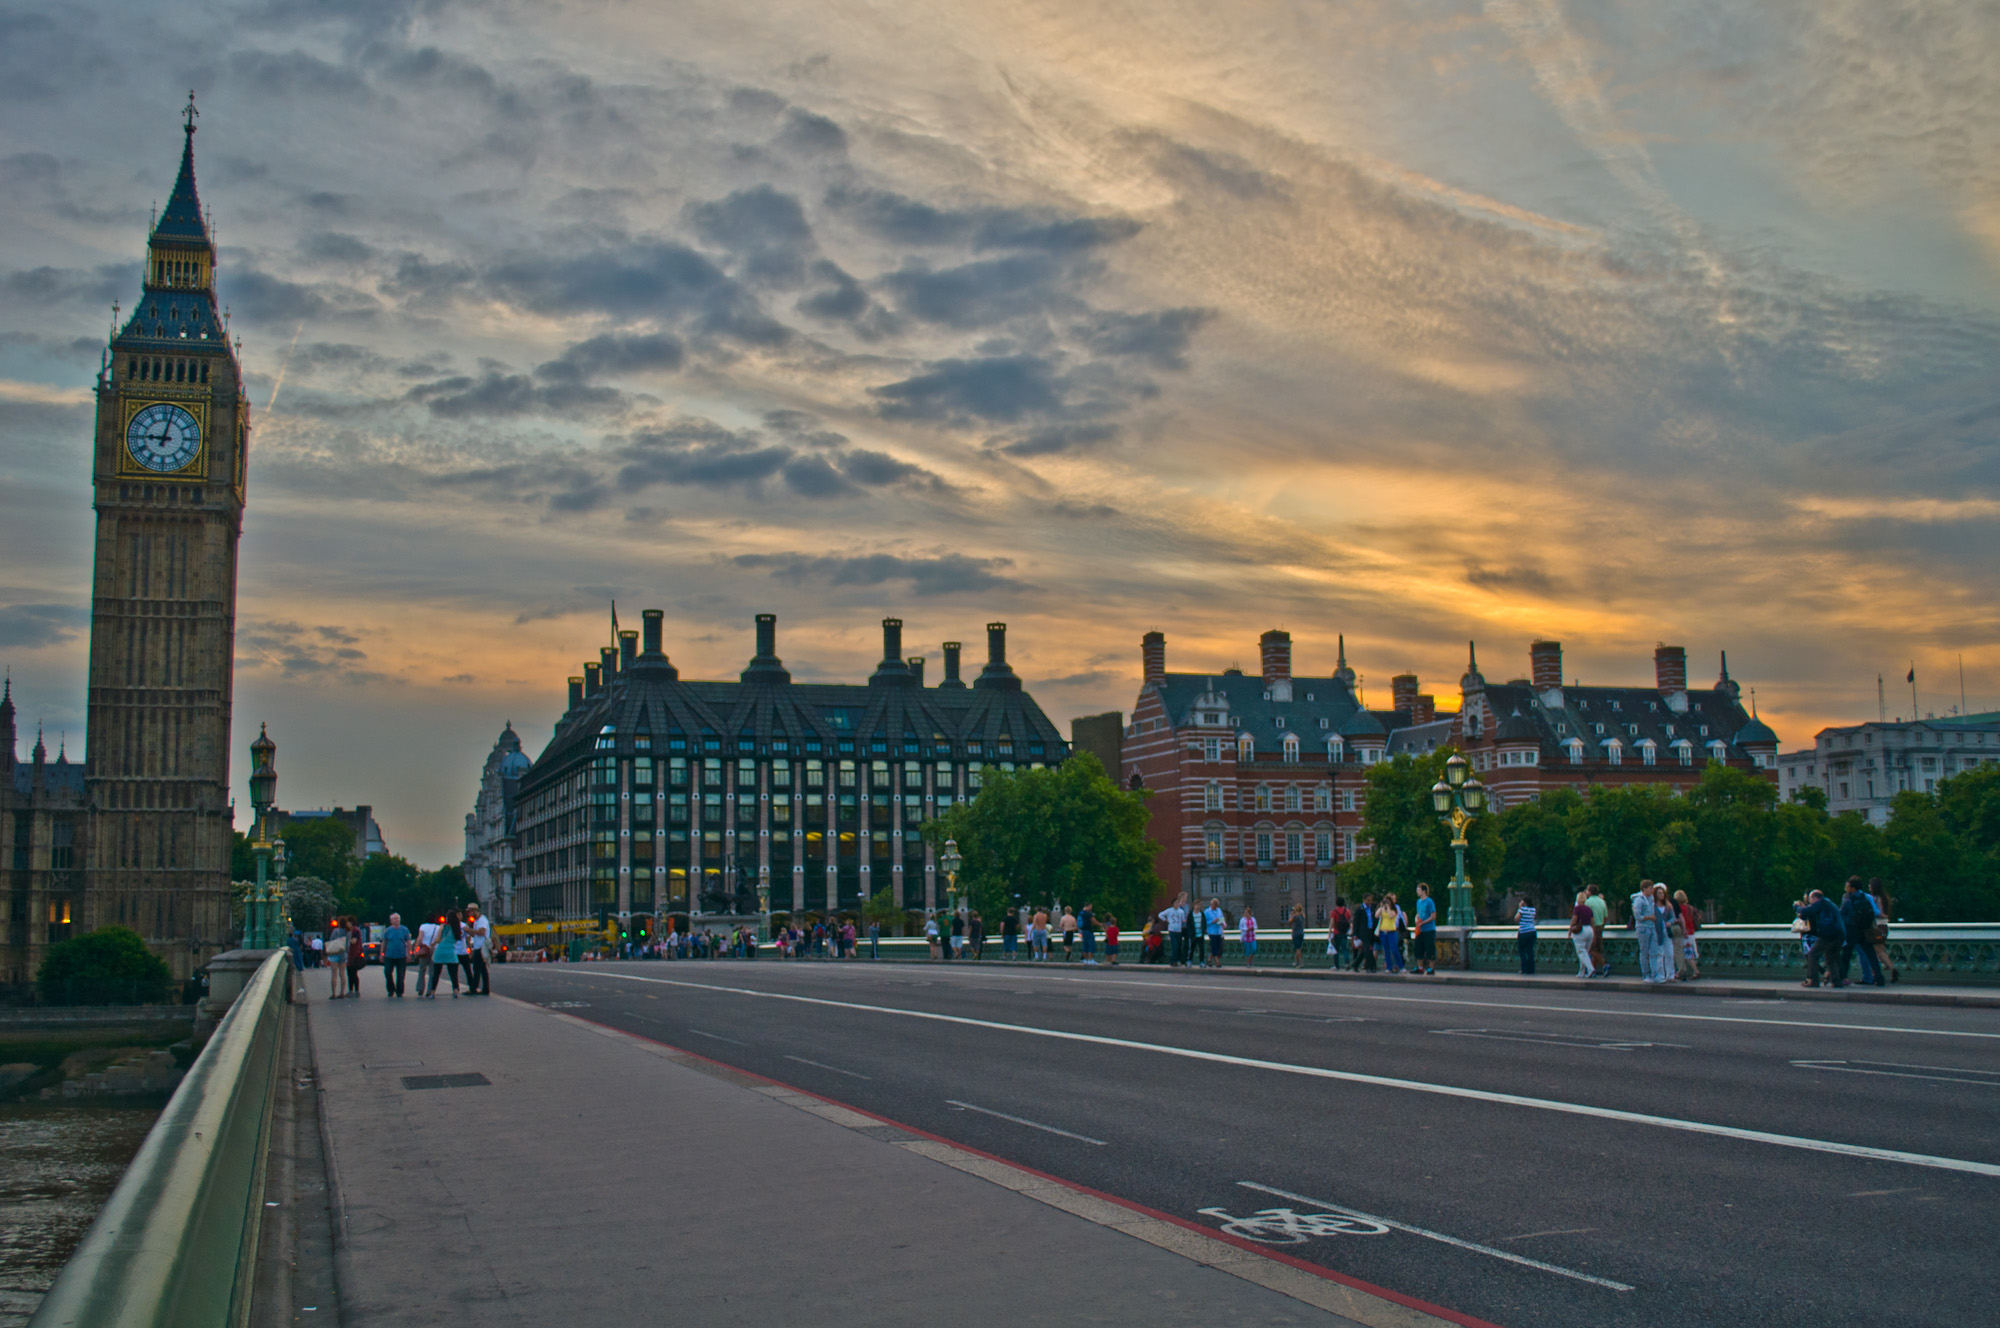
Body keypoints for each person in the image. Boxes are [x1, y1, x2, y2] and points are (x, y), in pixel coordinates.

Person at [1795, 889, 1846, 987]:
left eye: (1810, 899)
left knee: (1812, 955)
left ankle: (1813, 980)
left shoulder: (1821, 903)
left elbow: (1805, 911)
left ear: (1814, 898)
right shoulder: (1829, 903)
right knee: (1831, 957)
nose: (1810, 903)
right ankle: (1836, 981)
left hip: (1829, 934)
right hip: (1840, 934)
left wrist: (1796, 907)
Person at [1840, 878, 1882, 987]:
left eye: (1847, 886)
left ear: (1852, 888)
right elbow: (1875, 912)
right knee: (1871, 954)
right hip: (1865, 929)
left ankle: (1842, 977)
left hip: (1852, 930)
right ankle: (1879, 978)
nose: (1846, 888)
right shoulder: (1866, 897)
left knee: (1846, 955)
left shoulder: (1848, 899)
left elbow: (1842, 915)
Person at [1631, 880, 1664, 983]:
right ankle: (1646, 975)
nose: (1651, 890)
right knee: (1644, 952)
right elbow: (1638, 916)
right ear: (1644, 889)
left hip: (1652, 927)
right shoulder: (1639, 900)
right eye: (1650, 888)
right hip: (1642, 928)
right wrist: (1650, 917)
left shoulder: (1651, 899)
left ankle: (1655, 975)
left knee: (1654, 951)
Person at [427, 910, 464, 997]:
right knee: (453, 974)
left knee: (436, 974)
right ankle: (455, 991)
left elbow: (438, 939)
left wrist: (434, 942)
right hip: (451, 952)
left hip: (440, 951)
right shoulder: (457, 928)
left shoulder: (443, 927)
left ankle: (432, 992)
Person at [1868, 877, 1898, 983]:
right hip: (1884, 927)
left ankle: (1891, 968)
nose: (1869, 887)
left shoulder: (1874, 898)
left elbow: (1875, 912)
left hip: (1877, 927)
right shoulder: (1884, 898)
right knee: (1879, 951)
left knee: (1878, 951)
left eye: (1870, 885)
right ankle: (1879, 973)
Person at [1672, 888, 1702, 980]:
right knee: (1688, 953)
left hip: (1683, 933)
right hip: (1691, 932)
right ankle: (1680, 972)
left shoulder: (1678, 909)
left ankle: (1695, 971)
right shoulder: (1691, 908)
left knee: (1685, 954)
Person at [464, 904, 492, 995]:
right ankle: (485, 989)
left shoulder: (482, 920)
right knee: (482, 969)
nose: (469, 914)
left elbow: (481, 932)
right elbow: (475, 934)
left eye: (470, 912)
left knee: (476, 968)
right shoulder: (476, 921)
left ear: (475, 911)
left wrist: (469, 930)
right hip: (477, 946)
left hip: (481, 947)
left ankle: (473, 988)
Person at [381, 912, 410, 997]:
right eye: (395, 919)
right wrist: (382, 953)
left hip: (401, 955)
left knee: (401, 974)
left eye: (398, 918)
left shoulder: (404, 930)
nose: (397, 920)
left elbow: (408, 941)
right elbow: (384, 942)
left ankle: (400, 991)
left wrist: (408, 953)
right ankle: (390, 989)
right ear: (391, 921)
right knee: (387, 972)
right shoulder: (388, 931)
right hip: (389, 955)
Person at [1412, 883, 1438, 976]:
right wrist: (1416, 920)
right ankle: (1420, 967)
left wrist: (1423, 922)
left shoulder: (1429, 902)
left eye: (1418, 890)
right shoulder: (1418, 902)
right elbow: (1418, 913)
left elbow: (1433, 916)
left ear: (1423, 891)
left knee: (1430, 948)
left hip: (1429, 929)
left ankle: (1431, 968)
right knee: (1418, 948)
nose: (1417, 892)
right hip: (1420, 929)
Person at [1567, 891, 1594, 979]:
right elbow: (1592, 921)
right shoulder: (1589, 909)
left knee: (1581, 952)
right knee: (1585, 952)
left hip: (1580, 930)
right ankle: (1582, 972)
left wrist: (1570, 930)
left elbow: (1574, 920)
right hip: (1589, 930)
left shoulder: (1577, 908)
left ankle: (1590, 969)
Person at [1584, 885, 1609, 976]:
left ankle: (1604, 965)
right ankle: (1593, 970)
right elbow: (1606, 916)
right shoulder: (1602, 901)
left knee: (1591, 949)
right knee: (1597, 949)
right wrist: (1602, 925)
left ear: (1589, 892)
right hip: (1600, 926)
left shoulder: (1587, 902)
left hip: (1592, 927)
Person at [323, 920, 350, 1000]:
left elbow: (331, 940)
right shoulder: (348, 932)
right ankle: (342, 993)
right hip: (343, 954)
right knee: (342, 974)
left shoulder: (335, 931)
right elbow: (348, 945)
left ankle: (333, 993)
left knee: (334, 974)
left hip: (335, 954)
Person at [1376, 893, 1402, 973]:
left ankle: (1400, 965)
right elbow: (1376, 915)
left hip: (1392, 931)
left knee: (1394, 949)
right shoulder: (1382, 909)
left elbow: (1391, 916)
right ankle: (1389, 967)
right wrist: (1381, 907)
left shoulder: (1394, 910)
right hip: (1383, 931)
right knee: (1386, 950)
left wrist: (1388, 908)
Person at [1159, 896, 1187, 966]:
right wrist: (1165, 920)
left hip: (1179, 930)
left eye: (1177, 903)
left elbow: (1183, 920)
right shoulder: (1169, 911)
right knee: (1175, 946)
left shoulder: (1181, 911)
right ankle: (1173, 960)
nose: (1177, 904)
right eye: (1175, 903)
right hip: (1172, 930)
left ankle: (1178, 960)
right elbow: (1160, 915)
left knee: (1179, 945)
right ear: (1173, 904)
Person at [1512, 896, 1538, 975]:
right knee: (1530, 951)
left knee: (1522, 951)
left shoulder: (1522, 910)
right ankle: (1531, 969)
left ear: (1524, 902)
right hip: (1532, 932)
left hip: (1523, 932)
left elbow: (1516, 919)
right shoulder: (1533, 910)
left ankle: (1524, 969)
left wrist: (1519, 908)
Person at [1353, 895, 1378, 972]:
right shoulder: (1359, 909)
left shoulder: (1372, 908)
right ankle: (1370, 966)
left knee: (1364, 951)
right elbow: (1356, 922)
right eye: (1368, 900)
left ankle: (1355, 964)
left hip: (1371, 931)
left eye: (1370, 900)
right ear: (1363, 900)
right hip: (1363, 932)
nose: (1369, 902)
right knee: (1368, 949)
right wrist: (1355, 934)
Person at [1329, 897, 1350, 969]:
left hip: (1336, 932)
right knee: (1345, 949)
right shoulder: (1347, 911)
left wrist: (1329, 933)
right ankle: (1347, 963)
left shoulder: (1334, 912)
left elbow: (1332, 922)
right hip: (1344, 932)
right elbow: (1349, 920)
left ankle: (1336, 965)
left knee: (1336, 949)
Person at [1203, 898, 1225, 968]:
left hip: (1219, 931)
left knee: (1218, 946)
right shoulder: (1207, 911)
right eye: (1214, 906)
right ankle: (1217, 961)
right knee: (1214, 945)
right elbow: (1204, 922)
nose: (1215, 907)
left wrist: (1222, 923)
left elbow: (1221, 918)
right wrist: (1213, 921)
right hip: (1211, 931)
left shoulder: (1219, 910)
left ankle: (1209, 960)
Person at [1290, 905, 1307, 969]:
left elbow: (1290, 921)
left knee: (1297, 948)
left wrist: (1291, 914)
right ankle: (1296, 962)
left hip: (1296, 933)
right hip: (1301, 933)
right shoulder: (1303, 916)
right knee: (1299, 948)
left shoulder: (1295, 916)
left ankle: (1301, 963)